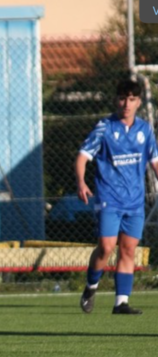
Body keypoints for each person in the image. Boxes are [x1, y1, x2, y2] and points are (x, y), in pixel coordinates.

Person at [76, 79, 158, 315]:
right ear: (116, 99)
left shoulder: (145, 130)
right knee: (106, 247)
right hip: (109, 198)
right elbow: (82, 157)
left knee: (128, 249)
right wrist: (81, 182)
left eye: (132, 99)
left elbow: (155, 162)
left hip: (135, 201)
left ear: (139, 102)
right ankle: (91, 286)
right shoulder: (104, 127)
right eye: (123, 98)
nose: (127, 103)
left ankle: (121, 302)